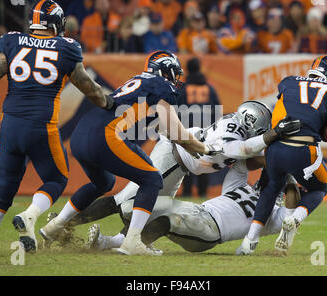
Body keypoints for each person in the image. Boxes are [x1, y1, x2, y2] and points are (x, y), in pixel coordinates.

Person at [42, 101, 301, 252]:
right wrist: (275, 135)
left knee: (146, 207)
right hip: (174, 157)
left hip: (181, 164)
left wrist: (278, 159)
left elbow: (247, 157)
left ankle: (115, 241)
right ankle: (62, 225)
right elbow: (242, 150)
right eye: (262, 129)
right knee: (127, 203)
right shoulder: (235, 136)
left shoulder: (237, 129)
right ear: (255, 124)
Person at [39, 51, 223, 256]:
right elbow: (177, 134)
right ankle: (132, 241)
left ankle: (55, 225)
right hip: (105, 135)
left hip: (81, 135)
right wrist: (206, 149)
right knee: (152, 180)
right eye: (175, 73)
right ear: (166, 69)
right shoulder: (162, 85)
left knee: (103, 183)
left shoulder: (138, 80)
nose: (176, 79)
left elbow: (164, 128)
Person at [0, 0, 114, 255]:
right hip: (42, 127)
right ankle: (30, 215)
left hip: (10, 125)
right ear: (57, 24)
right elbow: (89, 87)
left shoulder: (12, 40)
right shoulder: (67, 47)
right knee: (56, 178)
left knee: (6, 181)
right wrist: (109, 103)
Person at [237, 55, 327, 255]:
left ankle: (249, 242)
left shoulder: (288, 81)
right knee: (319, 188)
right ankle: (295, 218)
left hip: (274, 149)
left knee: (272, 187)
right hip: (304, 150)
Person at [87, 177, 301, 254]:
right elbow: (241, 163)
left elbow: (290, 211)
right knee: (136, 206)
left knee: (168, 222)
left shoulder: (273, 215)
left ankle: (124, 248)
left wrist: (289, 176)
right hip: (196, 209)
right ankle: (107, 242)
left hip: (209, 232)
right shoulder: (242, 186)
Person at [177, 57, 221, 197]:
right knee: (205, 161)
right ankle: (203, 194)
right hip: (207, 131)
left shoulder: (183, 88)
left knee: (187, 161)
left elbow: (176, 110)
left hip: (188, 130)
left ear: (187, 70)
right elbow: (217, 110)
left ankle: (187, 193)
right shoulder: (209, 87)